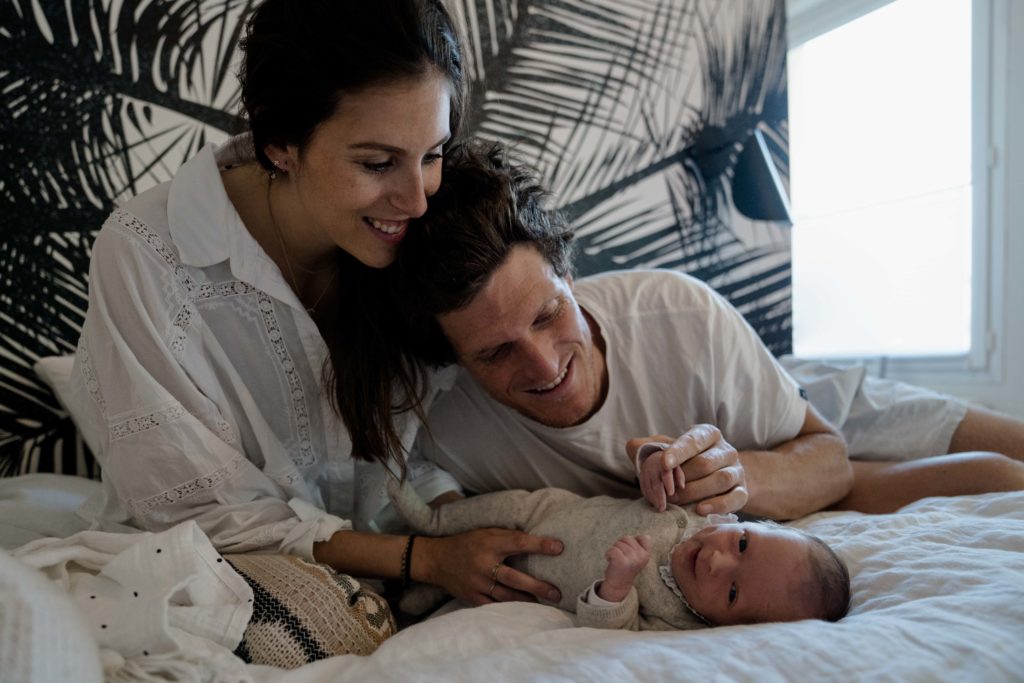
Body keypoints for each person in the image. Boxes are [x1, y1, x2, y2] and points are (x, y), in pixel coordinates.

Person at [65, 0, 562, 616]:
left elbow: (428, 445)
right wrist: (425, 559)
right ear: (281, 144)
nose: (415, 199)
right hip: (210, 584)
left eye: (432, 154)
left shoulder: (423, 233)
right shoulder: (150, 254)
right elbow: (200, 517)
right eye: (377, 163)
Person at [387, 139, 1024, 541]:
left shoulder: (679, 313)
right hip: (773, 464)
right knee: (999, 480)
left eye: (549, 315)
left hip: (792, 398)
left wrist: (737, 472)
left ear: (570, 279)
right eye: (495, 353)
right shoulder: (439, 421)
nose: (544, 364)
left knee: (1009, 451)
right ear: (454, 359)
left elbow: (827, 458)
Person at [386, 473, 850, 629]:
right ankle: (434, 521)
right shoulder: (705, 513)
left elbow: (613, 628)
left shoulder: (675, 618)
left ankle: (427, 590)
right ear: (751, 523)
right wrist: (658, 463)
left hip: (533, 581)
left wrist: (618, 587)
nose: (717, 560)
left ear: (725, 626)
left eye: (731, 592)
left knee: (483, 588)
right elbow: (662, 473)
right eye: (743, 544)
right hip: (552, 511)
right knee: (510, 505)